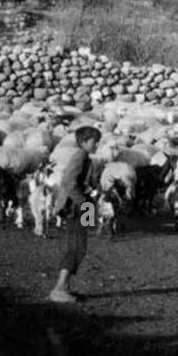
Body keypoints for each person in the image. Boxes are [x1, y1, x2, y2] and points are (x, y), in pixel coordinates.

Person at [49, 126, 102, 303]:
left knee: (81, 245)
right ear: (84, 142)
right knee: (77, 246)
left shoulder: (86, 158)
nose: (97, 145)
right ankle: (59, 287)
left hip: (84, 205)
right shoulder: (79, 157)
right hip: (77, 206)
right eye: (94, 142)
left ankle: (65, 286)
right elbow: (68, 182)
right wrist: (83, 202)